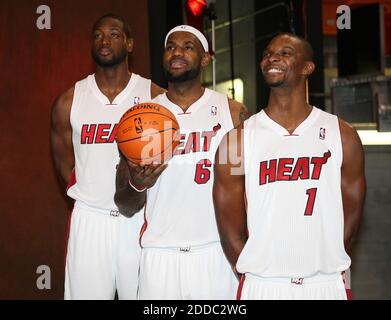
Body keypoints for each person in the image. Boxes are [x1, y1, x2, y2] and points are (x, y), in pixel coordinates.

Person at [213, 33, 366, 300]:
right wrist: (260, 271)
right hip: (263, 285)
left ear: (307, 67)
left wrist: (323, 262)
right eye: (267, 53)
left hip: (325, 284)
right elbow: (229, 228)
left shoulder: (343, 135)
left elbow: (352, 218)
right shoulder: (235, 141)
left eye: (285, 53)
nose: (272, 57)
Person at [115, 25, 250, 299]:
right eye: (170, 47)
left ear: (205, 59)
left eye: (188, 46)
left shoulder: (232, 113)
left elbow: (245, 189)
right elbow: (124, 204)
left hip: (217, 253)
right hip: (159, 256)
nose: (177, 52)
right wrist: (137, 184)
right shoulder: (138, 118)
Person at [50, 13, 165, 300]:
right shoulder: (69, 101)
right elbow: (65, 165)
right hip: (90, 221)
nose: (104, 40)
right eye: (98, 35)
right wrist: (92, 193)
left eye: (114, 34)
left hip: (139, 218)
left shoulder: (154, 95)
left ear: (129, 43)